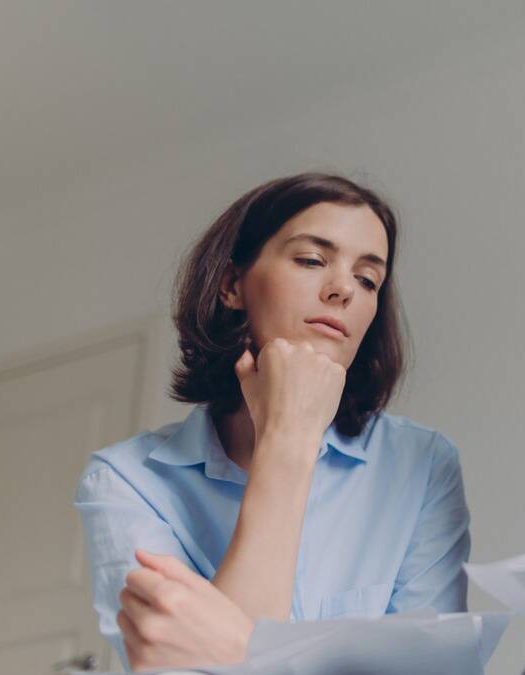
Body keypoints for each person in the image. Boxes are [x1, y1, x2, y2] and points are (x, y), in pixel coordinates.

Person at [74, 173, 471, 672]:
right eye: (311, 260)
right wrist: (289, 437)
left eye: (368, 279)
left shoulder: (422, 464)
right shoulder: (126, 483)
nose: (343, 290)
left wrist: (241, 646)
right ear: (231, 285)